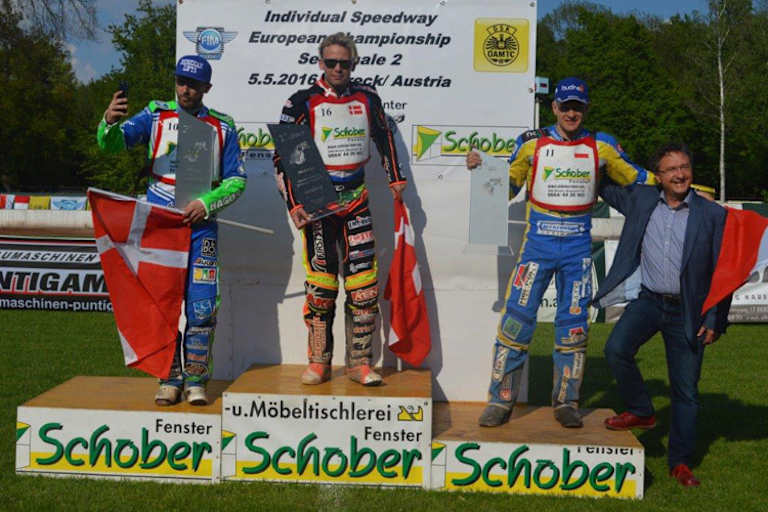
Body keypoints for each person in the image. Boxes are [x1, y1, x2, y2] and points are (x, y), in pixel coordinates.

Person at [466, 77, 655, 428]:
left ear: (586, 109)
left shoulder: (603, 146)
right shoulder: (530, 144)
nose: (571, 113)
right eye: (565, 106)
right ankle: (500, 399)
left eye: (578, 107)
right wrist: (482, 172)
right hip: (536, 245)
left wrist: (685, 188)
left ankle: (566, 401)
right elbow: (505, 186)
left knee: (573, 328)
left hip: (577, 250)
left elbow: (638, 178)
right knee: (515, 323)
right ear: (553, 107)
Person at [96, 55, 246, 406]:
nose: (185, 89)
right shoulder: (156, 114)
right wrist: (108, 122)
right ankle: (169, 377)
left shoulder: (222, 127)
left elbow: (237, 180)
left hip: (200, 228)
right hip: (161, 227)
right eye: (181, 81)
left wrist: (207, 204)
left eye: (193, 84)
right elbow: (111, 144)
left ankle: (196, 379)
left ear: (207, 88)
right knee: (161, 306)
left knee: (202, 307)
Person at [593, 142, 731, 487]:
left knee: (685, 391)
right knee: (615, 349)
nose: (680, 174)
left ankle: (680, 462)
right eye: (671, 169)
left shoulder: (712, 214)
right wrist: (599, 152)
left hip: (691, 311)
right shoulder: (640, 199)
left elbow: (723, 270)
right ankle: (642, 411)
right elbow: (601, 186)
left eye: (684, 167)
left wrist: (714, 318)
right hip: (649, 301)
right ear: (659, 175)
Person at [274, 32, 407, 386]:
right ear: (320, 63)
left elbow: (384, 136)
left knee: (363, 285)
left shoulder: (368, 97)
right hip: (318, 201)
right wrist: (294, 203)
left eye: (343, 63)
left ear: (353, 65)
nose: (337, 68)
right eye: (330, 62)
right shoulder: (301, 101)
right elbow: (283, 157)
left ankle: (359, 362)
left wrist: (395, 177)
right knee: (321, 285)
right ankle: (319, 361)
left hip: (357, 198)